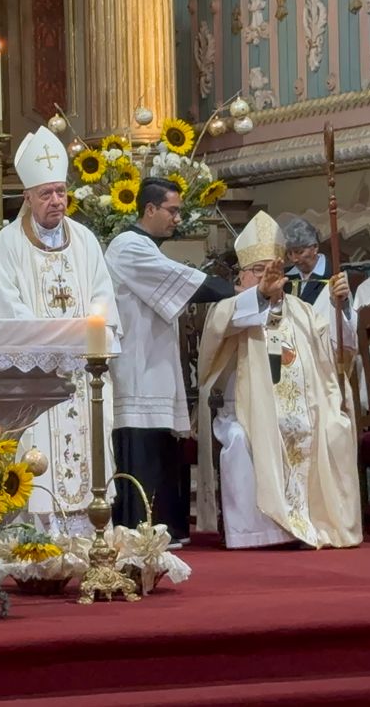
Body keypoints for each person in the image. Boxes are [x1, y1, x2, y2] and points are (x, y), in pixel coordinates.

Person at [0, 126, 120, 530]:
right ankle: (38, 539)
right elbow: (4, 307)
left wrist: (87, 331)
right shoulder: (8, 244)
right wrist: (53, 338)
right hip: (35, 372)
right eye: (46, 194)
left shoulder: (87, 240)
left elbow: (103, 294)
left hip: (82, 370)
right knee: (35, 450)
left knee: (89, 448)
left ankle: (90, 532)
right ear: (27, 197)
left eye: (60, 191)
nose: (56, 201)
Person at [197, 211, 362, 550]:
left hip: (303, 409)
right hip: (245, 412)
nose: (268, 277)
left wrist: (338, 306)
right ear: (241, 276)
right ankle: (258, 534)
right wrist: (259, 295)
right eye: (258, 271)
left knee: (332, 428)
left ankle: (312, 523)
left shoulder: (302, 311)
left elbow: (338, 352)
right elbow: (220, 330)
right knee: (242, 439)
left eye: (273, 270)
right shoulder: (231, 308)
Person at [105, 178, 235, 538]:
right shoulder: (128, 247)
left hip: (153, 363)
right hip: (136, 365)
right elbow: (185, 282)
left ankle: (165, 527)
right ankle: (138, 529)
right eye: (173, 210)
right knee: (143, 440)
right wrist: (235, 291)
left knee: (161, 441)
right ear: (150, 209)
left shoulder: (146, 246)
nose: (178, 218)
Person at [282, 217, 334, 305]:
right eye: (289, 253)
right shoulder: (284, 277)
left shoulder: (333, 274)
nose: (294, 259)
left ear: (315, 247)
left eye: (299, 252)